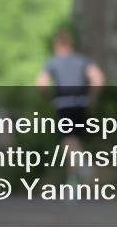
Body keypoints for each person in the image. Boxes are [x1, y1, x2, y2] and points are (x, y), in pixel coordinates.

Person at [36, 30, 105, 184]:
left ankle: (84, 168)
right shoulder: (82, 60)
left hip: (64, 104)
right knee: (74, 143)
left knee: (69, 142)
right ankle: (73, 183)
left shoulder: (53, 62)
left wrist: (49, 97)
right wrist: (92, 97)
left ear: (57, 46)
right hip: (81, 103)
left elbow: (41, 84)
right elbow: (98, 78)